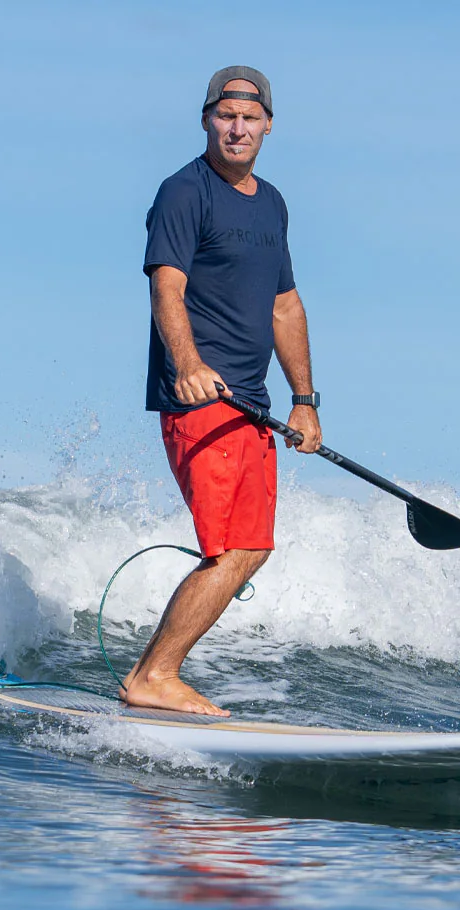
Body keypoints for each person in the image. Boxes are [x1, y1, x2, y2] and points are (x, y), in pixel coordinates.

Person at [126, 66, 322, 716]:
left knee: (254, 547)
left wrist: (305, 399)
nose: (237, 128)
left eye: (250, 117)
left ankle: (156, 674)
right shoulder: (185, 192)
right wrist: (185, 362)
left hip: (254, 408)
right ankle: (154, 675)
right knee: (228, 546)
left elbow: (285, 306)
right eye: (225, 115)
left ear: (268, 125)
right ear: (207, 119)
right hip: (202, 402)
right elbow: (166, 285)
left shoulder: (272, 204)